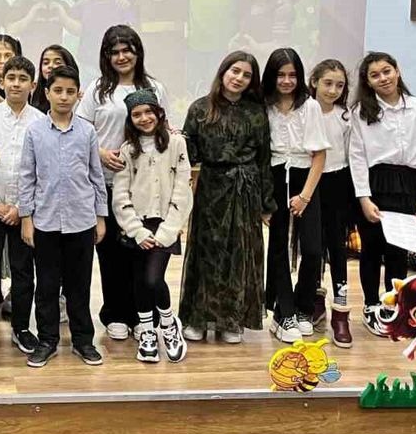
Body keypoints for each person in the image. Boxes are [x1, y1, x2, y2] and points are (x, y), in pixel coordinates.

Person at [76, 25, 168, 343]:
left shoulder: (154, 87)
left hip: (146, 187)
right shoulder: (97, 90)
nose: (121, 57)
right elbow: (81, 132)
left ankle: (144, 315)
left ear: (137, 52)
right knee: (111, 252)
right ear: (106, 56)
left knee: (142, 252)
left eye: (127, 50)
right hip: (106, 183)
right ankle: (114, 313)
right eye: (114, 52)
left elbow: (164, 130)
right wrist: (100, 153)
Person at [180, 52, 274, 344]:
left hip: (246, 189)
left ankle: (231, 320)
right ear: (223, 71)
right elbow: (189, 151)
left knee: (239, 254)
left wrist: (266, 203)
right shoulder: (200, 108)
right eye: (235, 71)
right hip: (211, 187)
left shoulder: (256, 112)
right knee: (207, 251)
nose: (239, 78)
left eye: (247, 75)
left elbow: (264, 159)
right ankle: (200, 318)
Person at [19, 65, 107, 368]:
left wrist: (100, 216)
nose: (64, 97)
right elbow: (27, 177)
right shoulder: (35, 131)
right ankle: (47, 340)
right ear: (46, 93)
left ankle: (83, 340)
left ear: (78, 95)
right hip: (45, 222)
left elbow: (96, 176)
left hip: (81, 220)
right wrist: (26, 217)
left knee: (78, 286)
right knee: (46, 285)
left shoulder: (87, 131)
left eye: (70, 91)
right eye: (58, 90)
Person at [349, 51, 416, 338]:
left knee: (399, 250)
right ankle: (371, 305)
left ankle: (395, 304)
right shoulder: (361, 112)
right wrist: (364, 197)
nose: (383, 78)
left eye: (387, 71)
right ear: (368, 82)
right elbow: (357, 156)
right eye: (375, 75)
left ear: (397, 71)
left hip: (409, 184)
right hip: (375, 183)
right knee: (372, 249)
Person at [112, 88, 192, 364]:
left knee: (153, 279)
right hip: (137, 226)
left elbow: (183, 188)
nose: (144, 118)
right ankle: (147, 331)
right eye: (137, 114)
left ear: (159, 113)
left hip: (165, 224)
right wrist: (136, 230)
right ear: (130, 119)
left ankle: (168, 325)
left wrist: (169, 230)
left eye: (148, 112)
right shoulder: (127, 150)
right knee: (139, 280)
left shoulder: (176, 144)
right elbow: (120, 194)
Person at [0, 56, 43, 354]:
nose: (16, 84)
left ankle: (22, 328)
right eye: (11, 78)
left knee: (23, 270)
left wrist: (20, 207)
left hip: (24, 211)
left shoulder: (41, 121)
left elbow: (41, 169)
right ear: (1, 82)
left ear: (33, 85)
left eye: (22, 79)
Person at [262, 47, 329, 344]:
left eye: (292, 75)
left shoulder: (310, 106)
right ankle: (283, 313)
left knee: (312, 249)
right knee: (277, 248)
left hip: (306, 179)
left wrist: (305, 196)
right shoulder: (263, 105)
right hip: (274, 176)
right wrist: (264, 200)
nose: (287, 81)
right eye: (281, 75)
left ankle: (303, 307)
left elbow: (319, 155)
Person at [307, 59, 357, 347]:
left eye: (339, 85)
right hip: (310, 184)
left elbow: (353, 154)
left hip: (339, 184)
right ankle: (314, 299)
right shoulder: (303, 111)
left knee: (337, 248)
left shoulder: (346, 117)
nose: (333, 90)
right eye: (327, 83)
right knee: (312, 247)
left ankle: (341, 312)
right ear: (314, 81)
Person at [33, 45, 77, 114]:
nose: (50, 66)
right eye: (46, 63)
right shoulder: (34, 93)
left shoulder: (78, 100)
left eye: (57, 63)